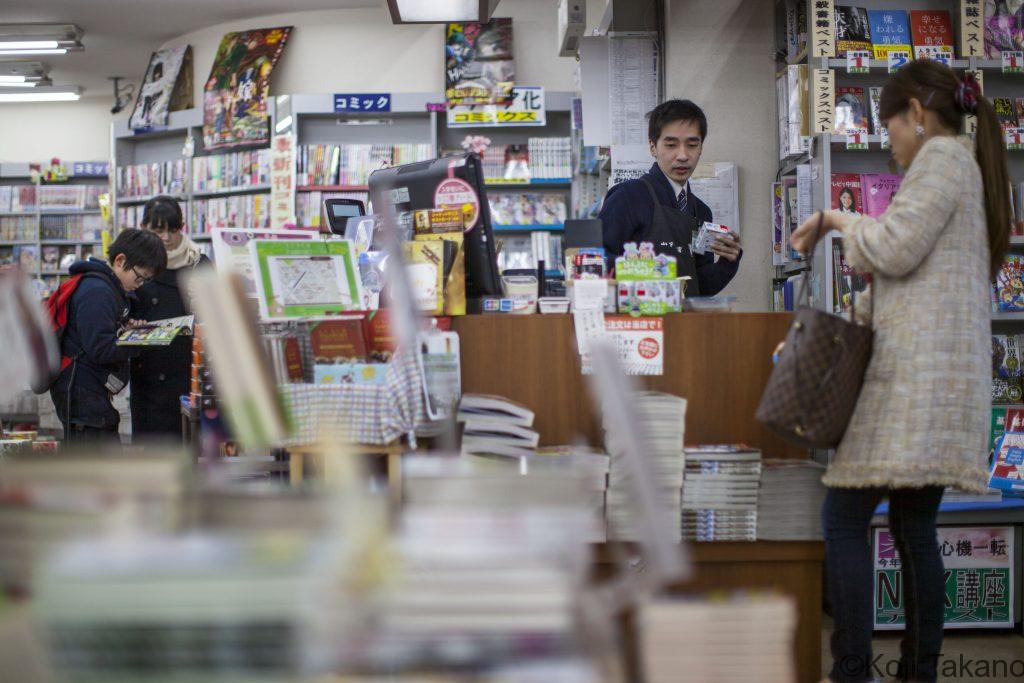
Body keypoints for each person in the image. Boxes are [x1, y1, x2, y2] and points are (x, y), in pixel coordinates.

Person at [790, 61, 1008, 683]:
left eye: (889, 126)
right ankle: (918, 672)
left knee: (843, 518)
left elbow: (892, 248)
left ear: (915, 111)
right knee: (915, 528)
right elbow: (906, 279)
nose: (888, 142)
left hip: (912, 387)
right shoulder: (966, 168)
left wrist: (836, 218)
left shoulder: (940, 160)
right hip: (936, 385)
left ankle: (853, 671)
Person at [598, 99, 742, 296]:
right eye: (671, 145)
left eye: (692, 145)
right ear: (653, 147)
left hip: (687, 324)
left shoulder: (701, 211)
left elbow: (701, 285)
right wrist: (649, 271)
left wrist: (728, 262)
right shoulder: (628, 197)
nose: (682, 155)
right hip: (641, 321)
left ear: (701, 147)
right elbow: (596, 260)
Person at [51, 229, 167, 443]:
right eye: (139, 277)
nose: (139, 285)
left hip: (89, 392)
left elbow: (101, 333)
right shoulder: (97, 291)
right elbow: (101, 348)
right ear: (120, 260)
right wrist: (140, 341)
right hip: (82, 393)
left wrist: (128, 330)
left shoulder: (108, 288)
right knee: (97, 466)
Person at [130, 196, 209, 439]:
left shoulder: (198, 263)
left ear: (181, 228)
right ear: (144, 228)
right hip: (149, 375)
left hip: (191, 370)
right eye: (157, 229)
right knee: (153, 456)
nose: (165, 238)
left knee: (192, 452)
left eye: (172, 230)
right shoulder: (135, 266)